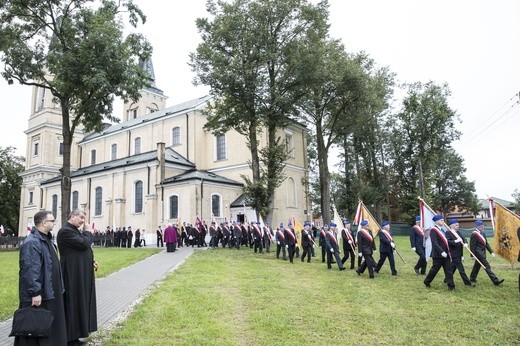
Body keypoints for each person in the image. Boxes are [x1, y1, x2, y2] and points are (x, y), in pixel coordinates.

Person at [16, 210, 67, 346]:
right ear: (44, 223)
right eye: (52, 221)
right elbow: (31, 269)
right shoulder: (32, 242)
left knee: (48, 324)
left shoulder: (46, 239)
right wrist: (35, 292)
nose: (54, 223)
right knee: (35, 326)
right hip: (40, 294)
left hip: (50, 291)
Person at [57, 209, 98, 345]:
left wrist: (91, 261)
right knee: (72, 303)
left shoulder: (74, 230)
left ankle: (76, 335)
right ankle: (70, 338)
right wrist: (88, 232)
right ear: (72, 216)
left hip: (79, 271)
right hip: (71, 273)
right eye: (80, 217)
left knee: (80, 301)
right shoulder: (65, 231)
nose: (82, 221)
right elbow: (83, 244)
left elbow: (81, 249)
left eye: (83, 218)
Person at [423, 214, 455, 290]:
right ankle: (427, 281)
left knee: (448, 270)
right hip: (438, 255)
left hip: (446, 254)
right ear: (436, 221)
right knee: (434, 270)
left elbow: (446, 241)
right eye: (441, 220)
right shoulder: (433, 230)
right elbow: (434, 243)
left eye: (443, 220)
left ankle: (451, 286)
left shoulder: (443, 230)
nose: (443, 221)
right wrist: (441, 252)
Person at [469, 220, 504, 286]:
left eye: (483, 226)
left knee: (477, 266)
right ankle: (495, 281)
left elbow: (486, 244)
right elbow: (472, 246)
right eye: (481, 226)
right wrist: (472, 255)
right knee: (487, 266)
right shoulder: (474, 234)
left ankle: (472, 278)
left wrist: (491, 252)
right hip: (478, 253)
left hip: (483, 252)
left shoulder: (483, 233)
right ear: (477, 226)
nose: (483, 227)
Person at [446, 219, 474, 287]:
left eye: (458, 225)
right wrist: (456, 241)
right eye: (456, 225)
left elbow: (464, 239)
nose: (458, 226)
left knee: (453, 267)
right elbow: (448, 242)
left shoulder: (458, 232)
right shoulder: (448, 232)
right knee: (461, 269)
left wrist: (466, 243)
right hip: (453, 253)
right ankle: (468, 283)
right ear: (451, 226)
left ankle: (446, 279)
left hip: (459, 253)